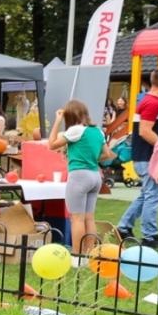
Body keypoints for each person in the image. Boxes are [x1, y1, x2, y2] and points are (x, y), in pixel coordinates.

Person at [117, 68, 158, 245]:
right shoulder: (152, 103)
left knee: (146, 194)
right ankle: (150, 235)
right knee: (153, 195)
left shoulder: (151, 101)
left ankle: (124, 226)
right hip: (148, 157)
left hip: (145, 155)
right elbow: (144, 131)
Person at [49, 101, 114, 256]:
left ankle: (77, 256)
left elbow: (51, 144)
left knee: (77, 219)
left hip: (79, 176)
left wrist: (57, 120)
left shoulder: (76, 129)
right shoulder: (98, 131)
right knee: (89, 218)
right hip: (95, 176)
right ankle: (89, 253)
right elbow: (107, 154)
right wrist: (91, 159)